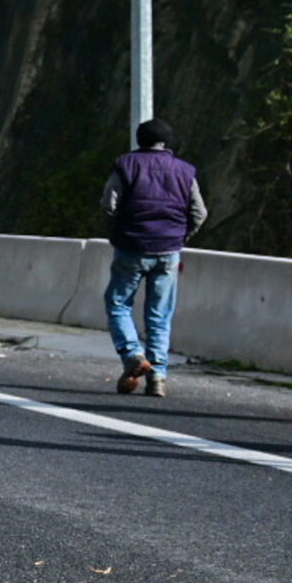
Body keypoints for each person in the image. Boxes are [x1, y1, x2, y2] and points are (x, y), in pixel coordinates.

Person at [102, 117, 205, 398]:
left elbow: (109, 205)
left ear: (140, 139)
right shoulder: (185, 171)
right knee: (159, 315)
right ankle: (158, 377)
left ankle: (133, 353)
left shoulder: (125, 165)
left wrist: (116, 236)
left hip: (131, 248)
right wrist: (180, 239)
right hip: (168, 251)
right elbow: (199, 213)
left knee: (118, 303)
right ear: (168, 142)